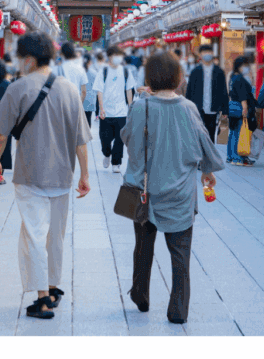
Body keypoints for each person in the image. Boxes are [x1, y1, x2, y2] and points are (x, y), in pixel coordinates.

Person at [0, 33, 91, 319]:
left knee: (34, 235)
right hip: (62, 175)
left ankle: (43, 299)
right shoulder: (70, 90)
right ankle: (54, 287)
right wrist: (84, 174)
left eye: (21, 58)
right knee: (55, 236)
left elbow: (0, 134)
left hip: (30, 174)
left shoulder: (18, 88)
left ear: (29, 59)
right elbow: (80, 139)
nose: (20, 63)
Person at [120, 50, 224, 325]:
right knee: (180, 254)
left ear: (149, 78)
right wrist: (207, 172)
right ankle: (178, 310)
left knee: (142, 247)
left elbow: (127, 139)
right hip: (180, 193)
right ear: (179, 78)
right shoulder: (188, 108)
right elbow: (204, 145)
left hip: (142, 191)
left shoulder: (140, 106)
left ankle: (140, 295)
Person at [92, 45, 137, 173]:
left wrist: (130, 108)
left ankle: (116, 163)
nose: (118, 58)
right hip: (106, 111)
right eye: (115, 55)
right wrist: (101, 108)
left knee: (119, 138)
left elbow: (129, 90)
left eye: (119, 56)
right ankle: (106, 154)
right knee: (104, 138)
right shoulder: (104, 71)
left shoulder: (125, 71)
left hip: (121, 111)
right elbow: (99, 90)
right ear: (110, 57)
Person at [185, 44, 228, 142]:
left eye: (209, 52)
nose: (207, 54)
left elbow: (223, 91)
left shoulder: (219, 72)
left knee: (211, 136)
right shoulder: (195, 72)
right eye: (204, 52)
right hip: (198, 109)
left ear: (213, 53)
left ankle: (209, 156)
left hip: (213, 109)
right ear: (200, 55)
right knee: (198, 136)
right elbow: (190, 91)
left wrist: (225, 111)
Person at [226, 56, 256, 166]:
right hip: (239, 107)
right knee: (238, 133)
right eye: (245, 65)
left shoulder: (233, 77)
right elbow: (243, 96)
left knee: (232, 133)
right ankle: (236, 158)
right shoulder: (240, 79)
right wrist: (245, 109)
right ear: (239, 66)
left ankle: (230, 156)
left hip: (232, 106)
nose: (246, 68)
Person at [54, 43, 89, 111]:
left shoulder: (56, 69)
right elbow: (84, 92)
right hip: (75, 104)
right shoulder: (81, 69)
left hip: (61, 106)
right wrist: (79, 105)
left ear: (62, 54)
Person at [83, 51, 102, 128]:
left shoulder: (80, 71)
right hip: (90, 99)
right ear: (90, 62)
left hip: (80, 98)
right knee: (88, 119)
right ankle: (87, 137)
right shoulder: (94, 73)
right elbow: (98, 86)